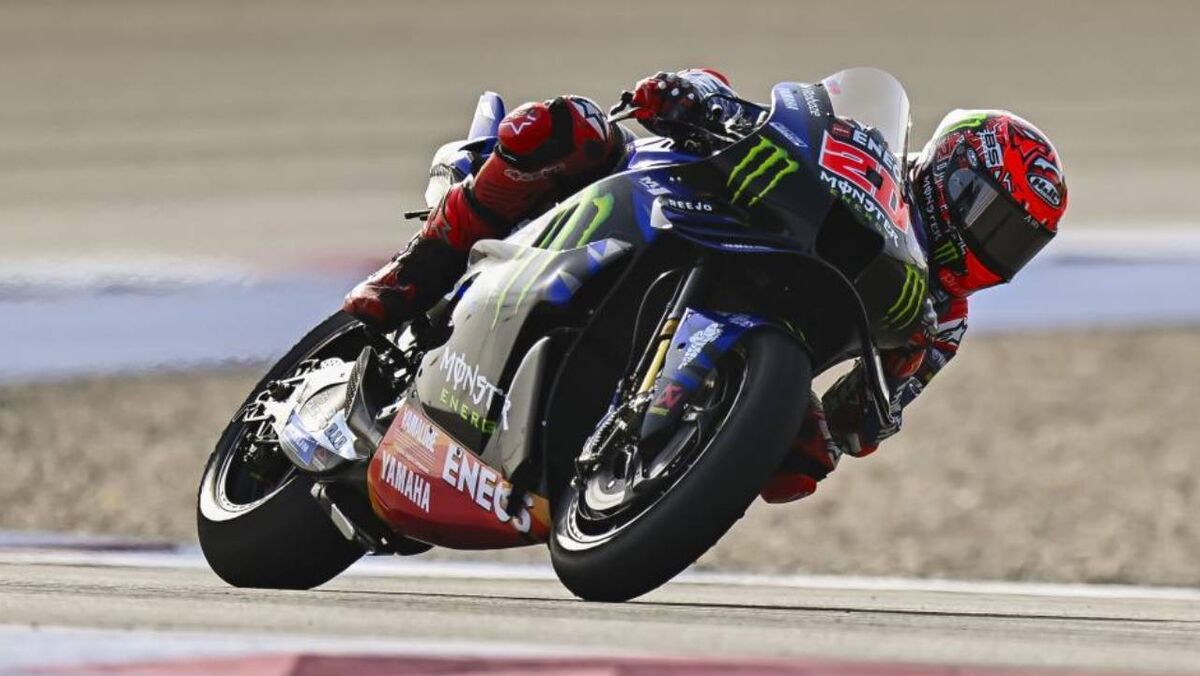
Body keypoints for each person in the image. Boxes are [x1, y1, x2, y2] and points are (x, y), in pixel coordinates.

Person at [343, 69, 1069, 503]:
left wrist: (839, 426)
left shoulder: (940, 322)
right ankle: (418, 267)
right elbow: (773, 118)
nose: (988, 245)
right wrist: (695, 96)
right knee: (563, 128)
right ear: (947, 168)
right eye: (987, 215)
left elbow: (859, 422)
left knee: (798, 468)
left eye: (1014, 241)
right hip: (681, 210)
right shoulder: (864, 154)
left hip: (766, 329)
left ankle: (635, 463)